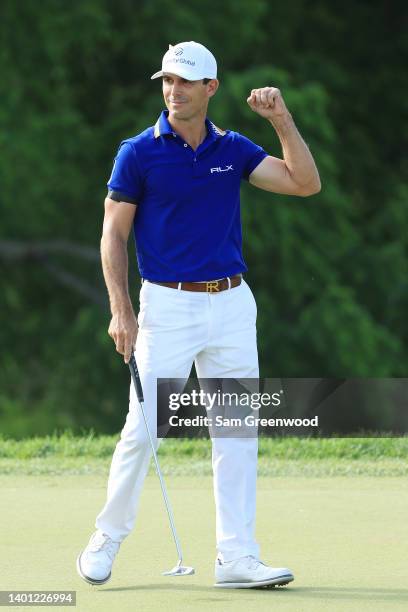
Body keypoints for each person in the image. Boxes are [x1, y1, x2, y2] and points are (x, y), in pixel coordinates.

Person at [76, 41, 320, 589]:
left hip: (233, 304)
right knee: (142, 429)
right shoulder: (137, 152)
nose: (173, 90)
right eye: (167, 80)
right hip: (167, 306)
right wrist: (121, 310)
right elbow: (113, 236)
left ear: (210, 88)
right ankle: (107, 536)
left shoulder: (233, 149)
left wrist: (281, 119)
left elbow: (305, 183)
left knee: (236, 432)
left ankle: (236, 557)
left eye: (185, 82)